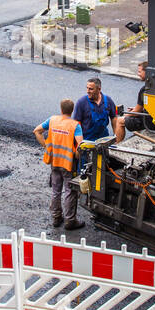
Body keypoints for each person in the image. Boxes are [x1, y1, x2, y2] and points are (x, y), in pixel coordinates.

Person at [34, 98, 84, 230]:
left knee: (56, 191)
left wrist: (46, 146)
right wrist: (77, 158)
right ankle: (70, 220)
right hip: (68, 163)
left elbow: (37, 131)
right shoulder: (75, 125)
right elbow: (81, 145)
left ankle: (56, 217)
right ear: (72, 110)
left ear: (61, 109)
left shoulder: (52, 120)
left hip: (55, 161)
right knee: (70, 191)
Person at [73, 76, 123, 145]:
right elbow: (76, 124)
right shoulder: (81, 102)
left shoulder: (108, 100)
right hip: (87, 142)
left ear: (99, 89)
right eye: (87, 88)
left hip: (103, 140)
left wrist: (116, 138)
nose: (87, 91)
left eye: (91, 89)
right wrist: (78, 144)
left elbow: (114, 119)